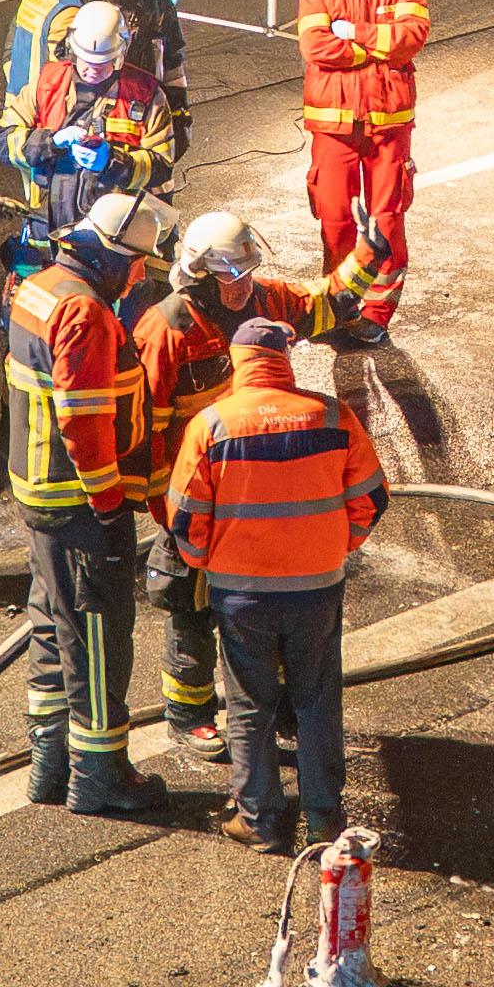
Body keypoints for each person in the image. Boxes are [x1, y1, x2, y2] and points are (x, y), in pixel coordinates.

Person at [169, 317, 389, 852]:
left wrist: (207, 560)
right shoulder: (332, 416)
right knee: (316, 698)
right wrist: (336, 544)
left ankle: (259, 820)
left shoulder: (212, 424)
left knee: (249, 704)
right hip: (316, 585)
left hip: (241, 591)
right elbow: (371, 498)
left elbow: (185, 517)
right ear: (283, 362)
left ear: (238, 364)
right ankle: (324, 820)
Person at [3, 190, 173, 812]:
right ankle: (100, 777)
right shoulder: (86, 313)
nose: (139, 274)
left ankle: (50, 765)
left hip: (39, 489)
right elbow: (83, 418)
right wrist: (108, 500)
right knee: (98, 637)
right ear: (109, 255)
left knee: (53, 625)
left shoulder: (42, 287)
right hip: (78, 500)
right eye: (136, 262)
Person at [297, 0, 433, 332]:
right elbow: (315, 46)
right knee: (335, 217)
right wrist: (376, 50)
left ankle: (377, 314)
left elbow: (412, 38)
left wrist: (354, 33)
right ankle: (338, 307)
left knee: (386, 218)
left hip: (389, 120)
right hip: (333, 123)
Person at [22, 0, 177, 258]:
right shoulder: (47, 83)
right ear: (73, 49)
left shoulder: (146, 95)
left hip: (115, 234)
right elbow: (4, 140)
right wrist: (50, 142)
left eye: (102, 63)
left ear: (120, 54)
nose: (92, 70)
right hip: (48, 223)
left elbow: (161, 167)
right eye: (86, 61)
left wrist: (113, 162)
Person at [0, 0, 119, 143]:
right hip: (47, 119)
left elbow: (10, 53)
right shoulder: (70, 13)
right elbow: (69, 75)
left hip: (21, 111)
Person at [95, 0, 190, 164]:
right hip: (96, 111)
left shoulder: (158, 5)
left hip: (142, 113)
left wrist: (179, 111)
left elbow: (172, 63)